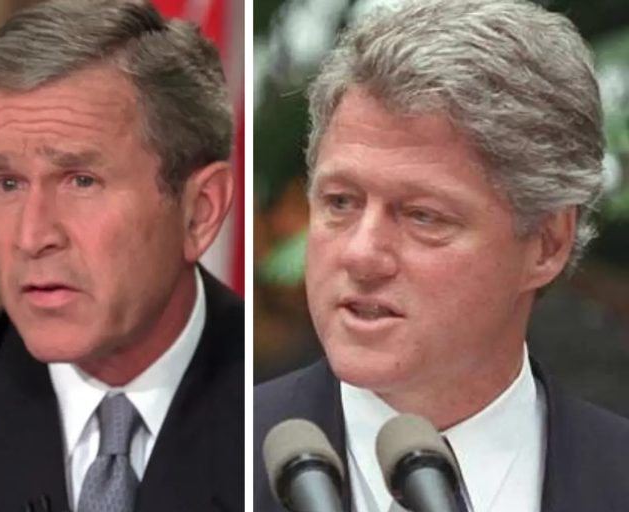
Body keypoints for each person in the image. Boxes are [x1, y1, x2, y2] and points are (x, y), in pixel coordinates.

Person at [255, 0, 629, 510]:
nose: (361, 255)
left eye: (423, 216)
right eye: (340, 202)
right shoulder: (213, 460)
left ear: (546, 244)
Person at [0, 1, 243, 510]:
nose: (32, 236)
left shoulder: (273, 411)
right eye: (8, 183)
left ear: (199, 212)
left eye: (81, 181)